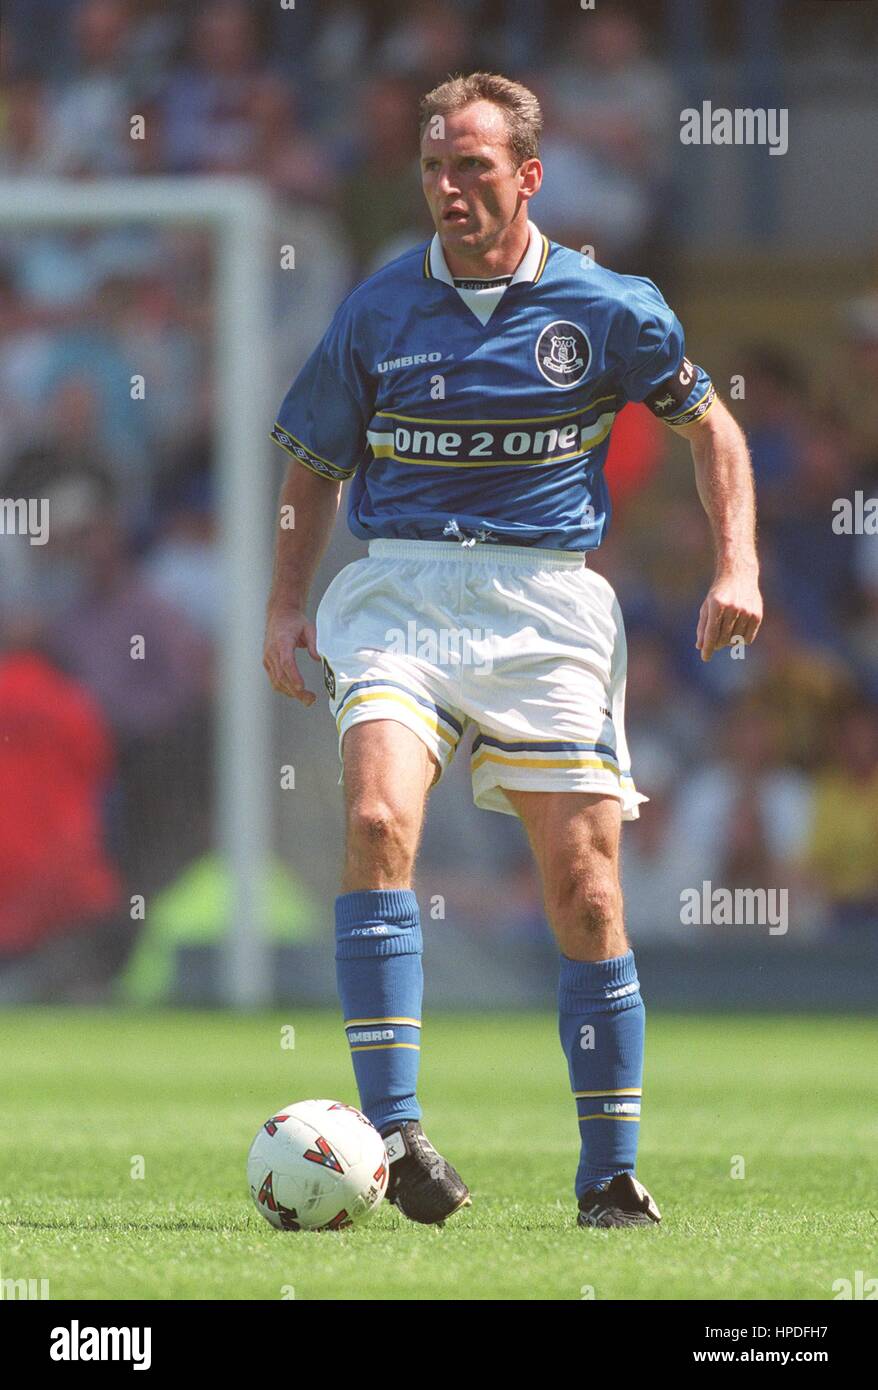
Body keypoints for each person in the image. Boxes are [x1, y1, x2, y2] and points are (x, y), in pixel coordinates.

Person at [263, 73, 762, 1230]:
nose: (447, 186)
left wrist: (734, 561)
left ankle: (608, 1172)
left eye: (471, 167)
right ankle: (391, 1132)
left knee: (585, 891)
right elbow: (311, 465)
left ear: (527, 176)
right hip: (399, 589)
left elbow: (710, 426)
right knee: (379, 820)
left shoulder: (607, 307)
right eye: (433, 166)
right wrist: (289, 604)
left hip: (542, 603)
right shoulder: (376, 308)